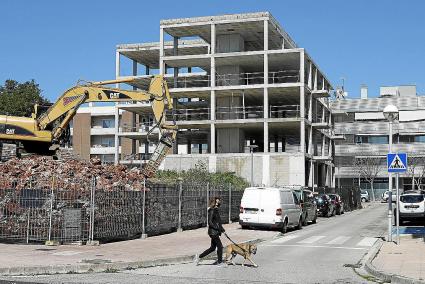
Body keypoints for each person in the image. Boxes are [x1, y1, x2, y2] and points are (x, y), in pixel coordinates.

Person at [194, 197, 225, 266]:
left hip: (215, 231)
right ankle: (220, 262)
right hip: (213, 232)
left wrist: (222, 229)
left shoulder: (216, 210)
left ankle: (198, 257)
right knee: (220, 246)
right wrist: (217, 228)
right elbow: (210, 222)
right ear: (214, 203)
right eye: (217, 202)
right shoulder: (212, 210)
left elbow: (218, 222)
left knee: (212, 248)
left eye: (219, 201)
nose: (219, 202)